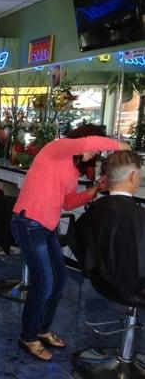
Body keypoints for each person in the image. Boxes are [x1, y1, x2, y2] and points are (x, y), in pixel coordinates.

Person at [10, 125, 130, 361]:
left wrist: (95, 189)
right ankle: (28, 336)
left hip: (47, 226)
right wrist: (120, 146)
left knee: (59, 279)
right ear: (84, 139)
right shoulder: (57, 148)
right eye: (95, 148)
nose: (94, 153)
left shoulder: (72, 170)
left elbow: (67, 202)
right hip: (28, 222)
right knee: (43, 282)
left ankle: (42, 329)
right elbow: (88, 144)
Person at [72, 150, 145, 295]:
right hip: (134, 287)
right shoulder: (139, 216)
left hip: (101, 282)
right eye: (140, 176)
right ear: (133, 176)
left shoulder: (94, 209)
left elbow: (76, 242)